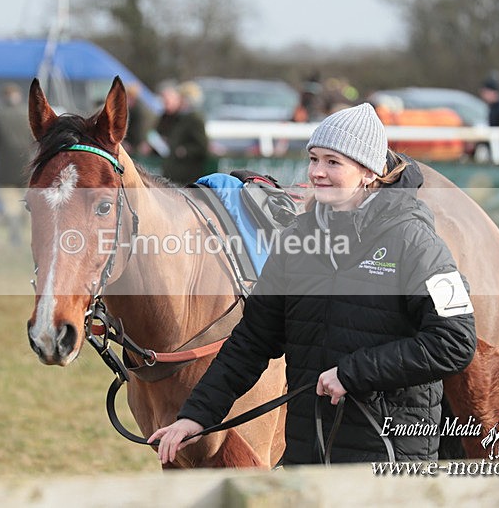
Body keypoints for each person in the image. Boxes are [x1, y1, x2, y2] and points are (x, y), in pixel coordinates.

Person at [148, 103, 477, 465]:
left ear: (368, 172)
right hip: (309, 455)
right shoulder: (297, 241)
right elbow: (253, 340)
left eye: (333, 162)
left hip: (388, 460)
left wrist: (355, 374)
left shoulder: (415, 242)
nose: (317, 172)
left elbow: (455, 341)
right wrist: (197, 416)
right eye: (314, 159)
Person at [0, 82, 34, 245]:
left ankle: (15, 236)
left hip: (5, 169)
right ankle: (33, 239)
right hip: (27, 168)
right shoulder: (28, 116)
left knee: (11, 205)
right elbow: (36, 140)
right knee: (29, 205)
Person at [154, 80, 210, 185]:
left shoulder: (194, 119)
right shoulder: (177, 117)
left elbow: (202, 146)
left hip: (187, 176)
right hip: (173, 174)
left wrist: (185, 151)